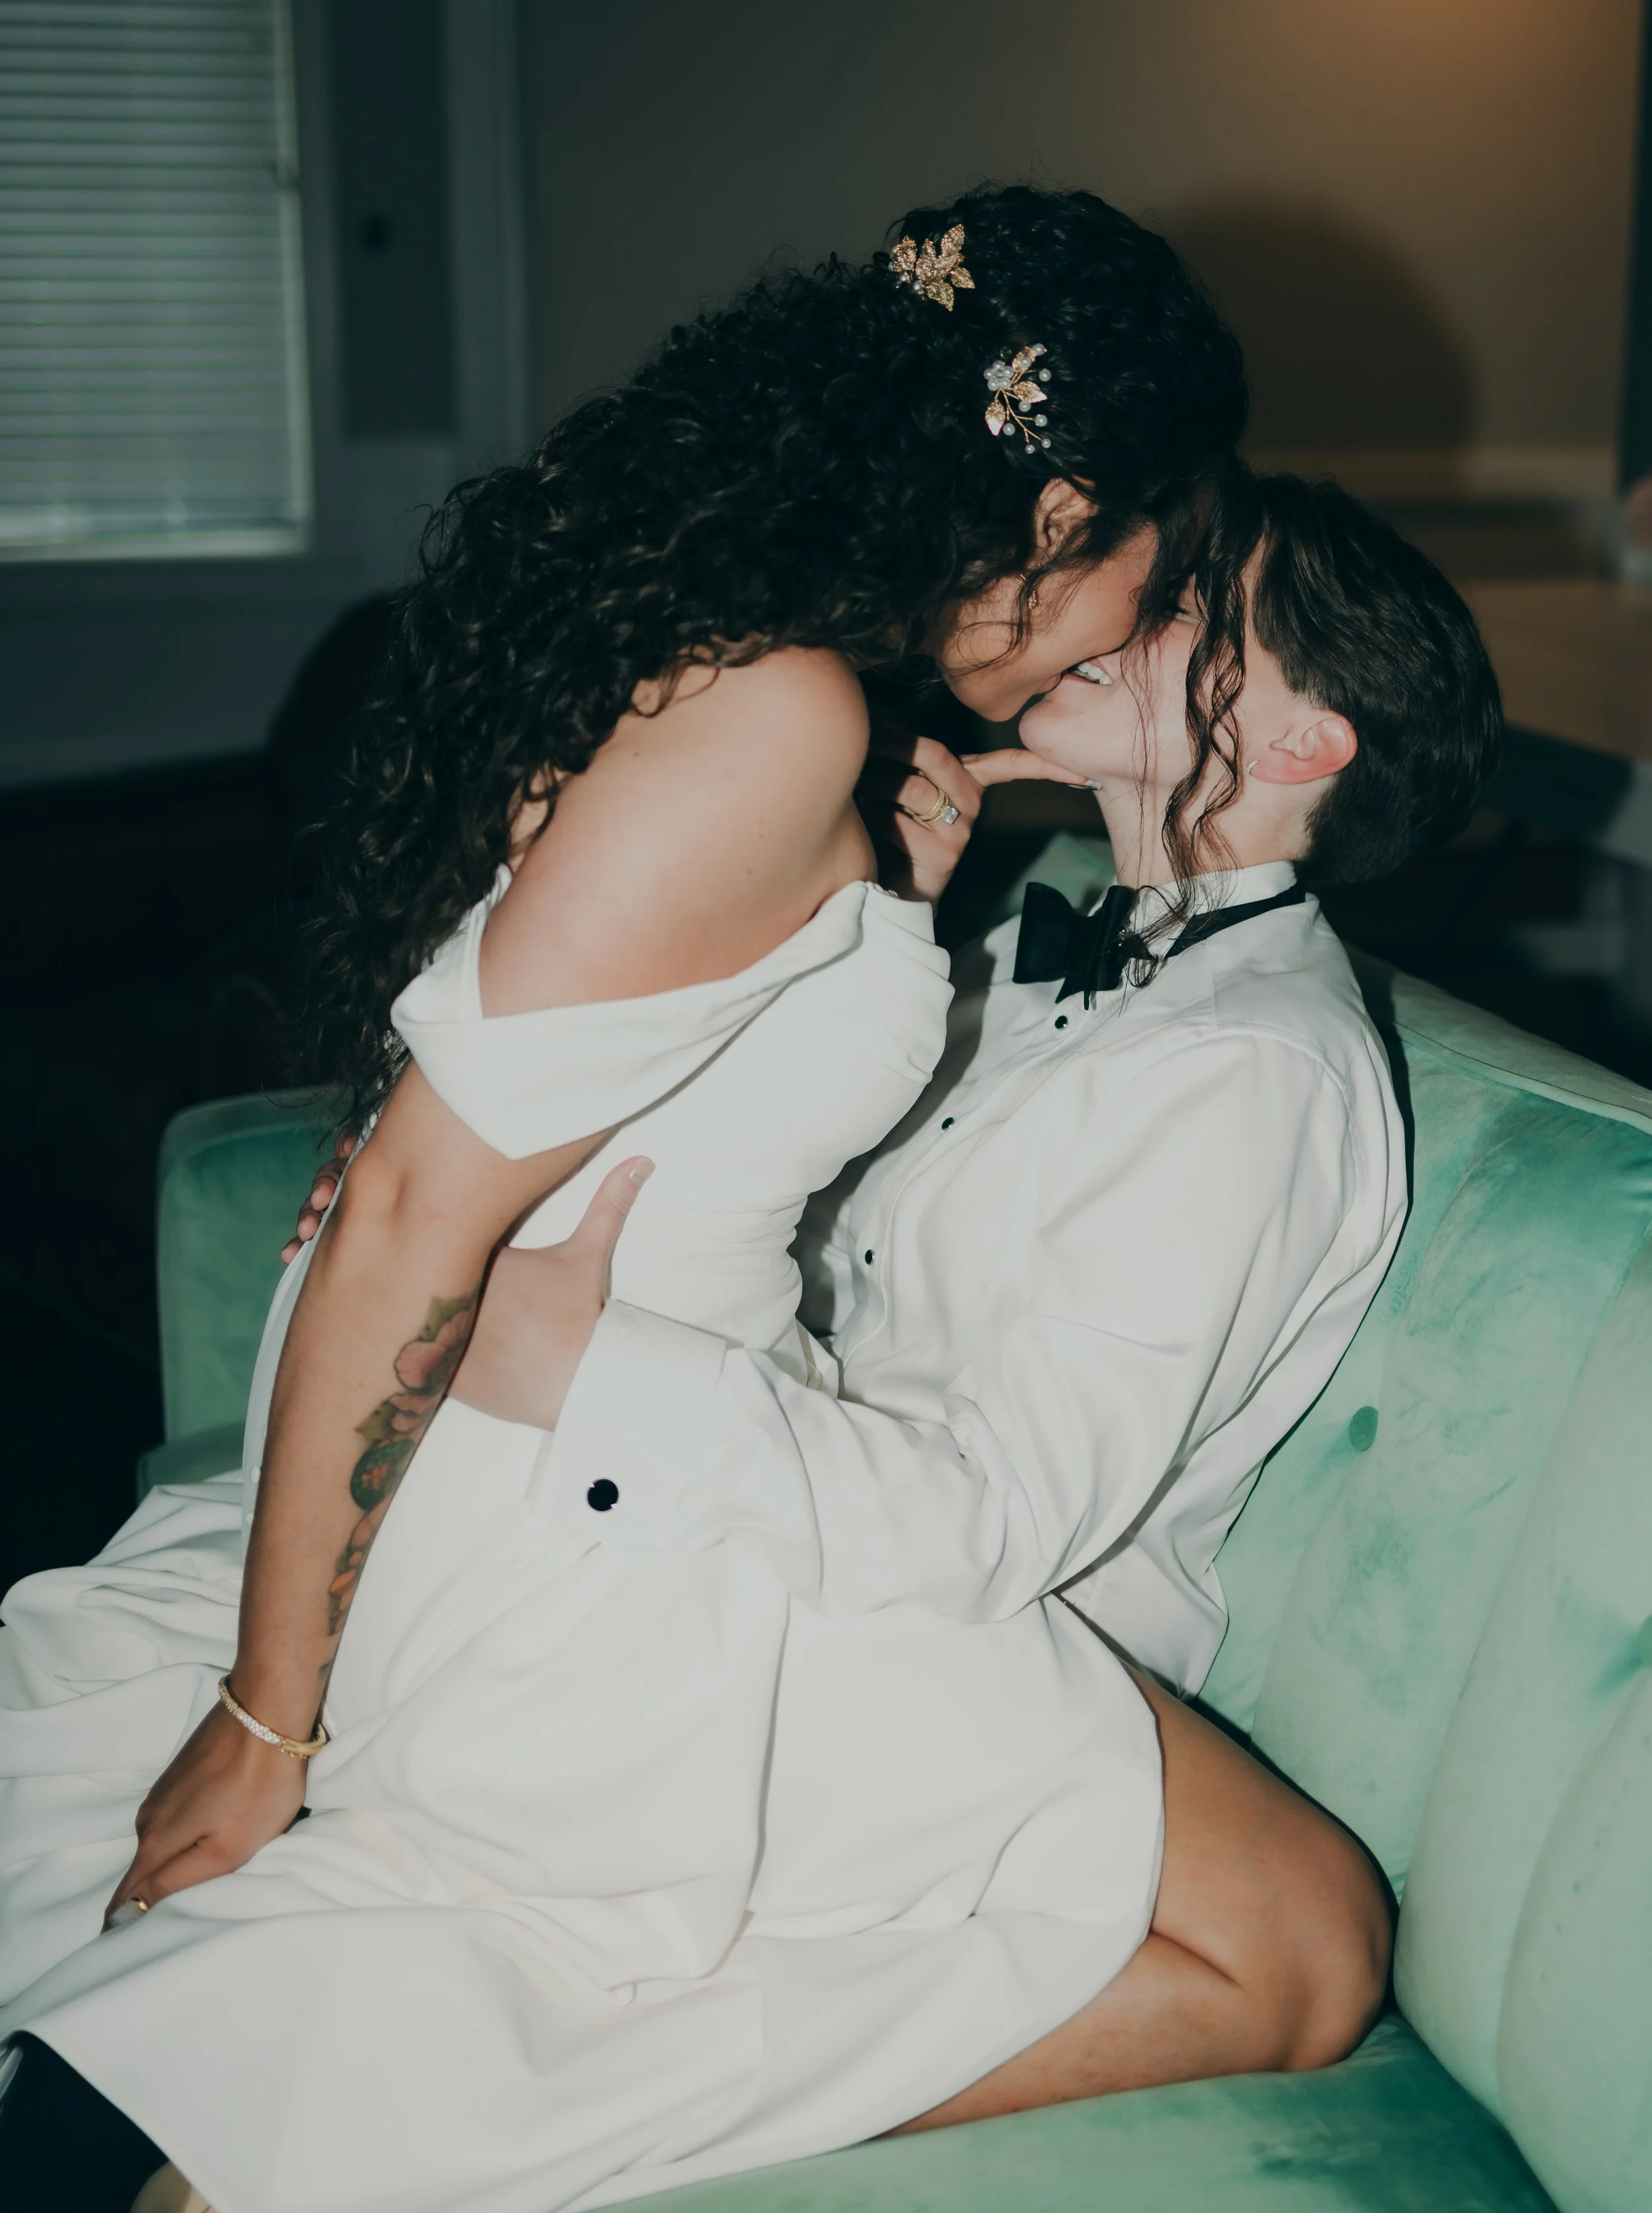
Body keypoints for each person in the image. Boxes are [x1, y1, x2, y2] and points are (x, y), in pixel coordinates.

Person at [0, 201, 1422, 2213]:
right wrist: (262, 1716)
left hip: (615, 1425)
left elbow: (564, 1095)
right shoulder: (785, 718)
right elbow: (416, 1207)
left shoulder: (739, 669)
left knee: (1290, 1942)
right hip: (610, 1465)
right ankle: (285, 2126)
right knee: (1295, 1950)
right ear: (1057, 505)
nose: (1132, 624)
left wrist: (872, 927)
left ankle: (277, 2101)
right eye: (1153, 568)